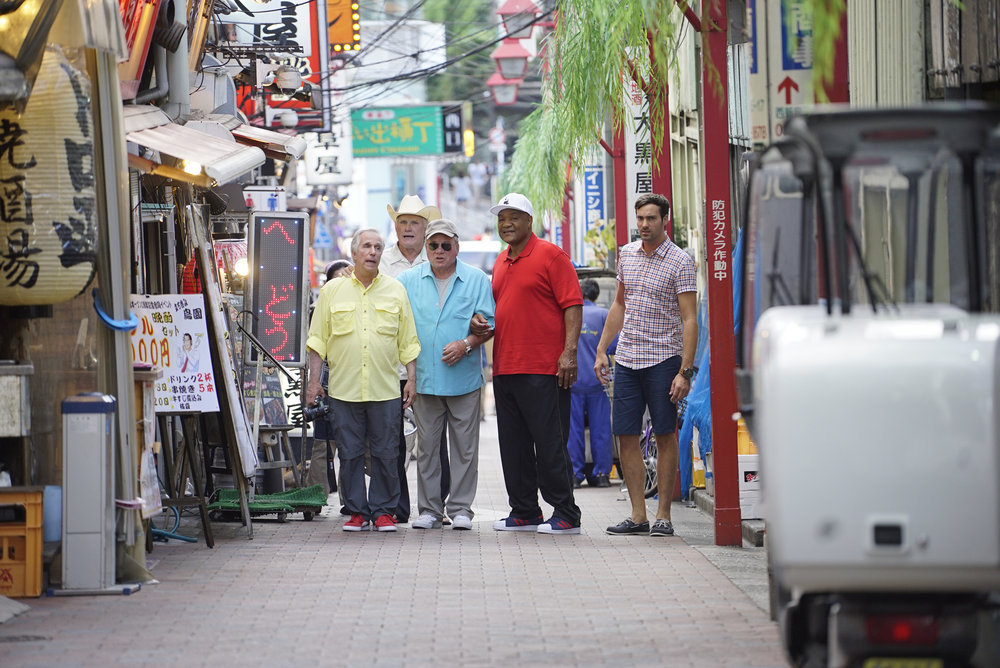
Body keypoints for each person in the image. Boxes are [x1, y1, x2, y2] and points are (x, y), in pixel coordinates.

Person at [471, 192, 583, 535]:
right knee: (514, 445)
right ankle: (524, 511)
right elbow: (500, 311)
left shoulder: (551, 255)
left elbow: (572, 304)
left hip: (544, 368)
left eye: (514, 217)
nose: (506, 224)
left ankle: (565, 513)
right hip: (505, 368)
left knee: (550, 443)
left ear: (529, 221)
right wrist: (480, 326)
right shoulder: (501, 262)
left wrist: (569, 353)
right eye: (502, 218)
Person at [594, 193, 697, 538]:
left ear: (664, 220)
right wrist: (601, 350)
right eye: (640, 218)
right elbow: (620, 306)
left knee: (665, 434)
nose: (644, 225)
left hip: (663, 360)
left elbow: (690, 320)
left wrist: (685, 370)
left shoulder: (681, 261)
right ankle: (638, 514)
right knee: (625, 434)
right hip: (627, 359)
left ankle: (663, 515)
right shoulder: (626, 255)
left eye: (651, 218)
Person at [306, 229, 420, 532]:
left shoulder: (395, 290)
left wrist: (412, 379)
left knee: (386, 451)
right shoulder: (332, 292)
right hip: (344, 389)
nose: (372, 251)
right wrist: (313, 383)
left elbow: (408, 341)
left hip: (385, 389)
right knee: (350, 451)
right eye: (367, 246)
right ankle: (356, 511)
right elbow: (317, 341)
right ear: (354, 252)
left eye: (378, 247)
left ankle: (383, 510)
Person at [397, 219, 495, 530]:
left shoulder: (477, 279)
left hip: (463, 377)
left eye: (446, 245)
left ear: (457, 247)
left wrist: (467, 343)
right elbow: (401, 328)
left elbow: (488, 325)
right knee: (427, 448)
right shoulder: (408, 280)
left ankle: (462, 509)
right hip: (424, 377)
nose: (440, 251)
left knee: (465, 448)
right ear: (426, 248)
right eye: (433, 245)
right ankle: (428, 509)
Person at [381, 195, 447, 525]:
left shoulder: (438, 257)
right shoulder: (381, 261)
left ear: (425, 229)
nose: (408, 228)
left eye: (415, 223)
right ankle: (397, 506)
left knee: (435, 440)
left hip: (433, 365)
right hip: (391, 366)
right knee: (392, 439)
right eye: (403, 222)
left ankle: (438, 505)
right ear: (395, 227)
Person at [307, 260, 354, 500]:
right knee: (322, 443)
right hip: (325, 385)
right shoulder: (319, 309)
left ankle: (350, 499)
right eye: (336, 279)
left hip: (353, 384)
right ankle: (316, 497)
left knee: (351, 444)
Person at [568, 278, 617, 488]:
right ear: (596, 296)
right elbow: (614, 347)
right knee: (601, 430)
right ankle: (602, 475)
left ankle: (575, 475)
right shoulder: (604, 315)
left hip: (572, 382)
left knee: (573, 431)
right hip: (599, 383)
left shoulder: (570, 314)